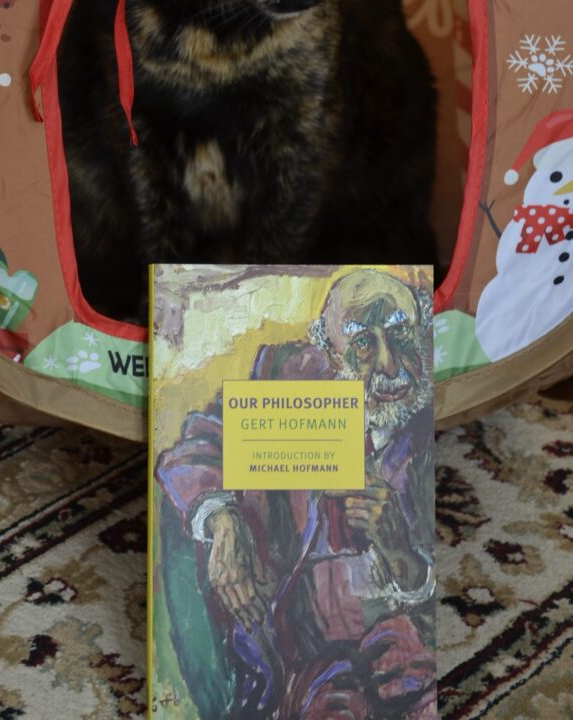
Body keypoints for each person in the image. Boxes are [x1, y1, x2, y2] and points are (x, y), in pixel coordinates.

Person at [156, 270, 437, 719]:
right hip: (306, 645)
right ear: (328, 352)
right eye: (363, 343)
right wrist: (221, 517)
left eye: (401, 335)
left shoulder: (431, 416)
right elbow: (193, 449)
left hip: (404, 639)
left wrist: (400, 547)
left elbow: (430, 585)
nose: (390, 365)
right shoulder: (287, 377)